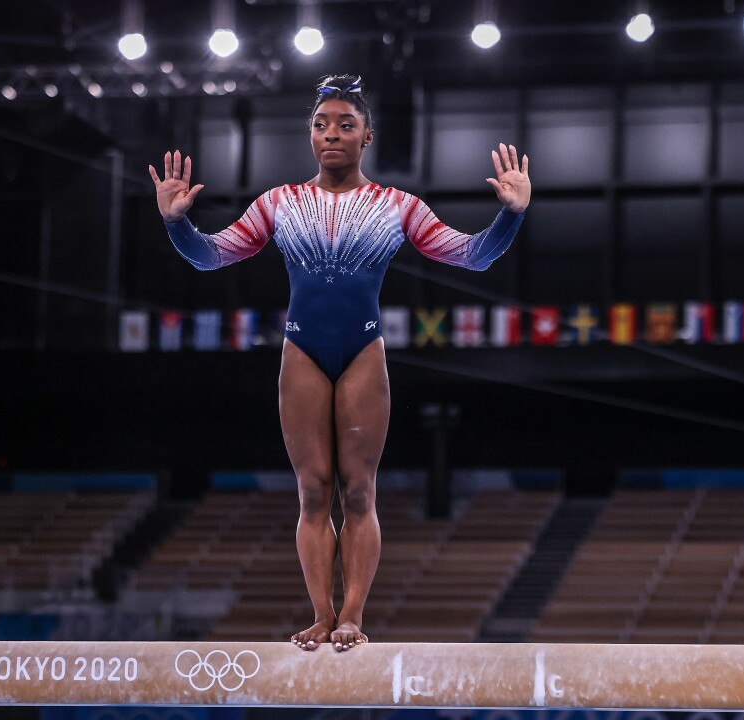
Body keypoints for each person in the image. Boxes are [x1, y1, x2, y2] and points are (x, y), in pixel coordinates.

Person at [149, 74, 530, 652]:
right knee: (311, 491)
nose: (332, 134)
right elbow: (209, 258)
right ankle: (321, 617)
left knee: (357, 492)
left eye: (346, 125)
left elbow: (474, 256)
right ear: (310, 136)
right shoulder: (280, 203)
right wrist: (178, 224)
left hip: (362, 351)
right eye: (321, 124)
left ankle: (352, 614)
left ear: (367, 136)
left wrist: (511, 216)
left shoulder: (398, 207)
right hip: (302, 350)